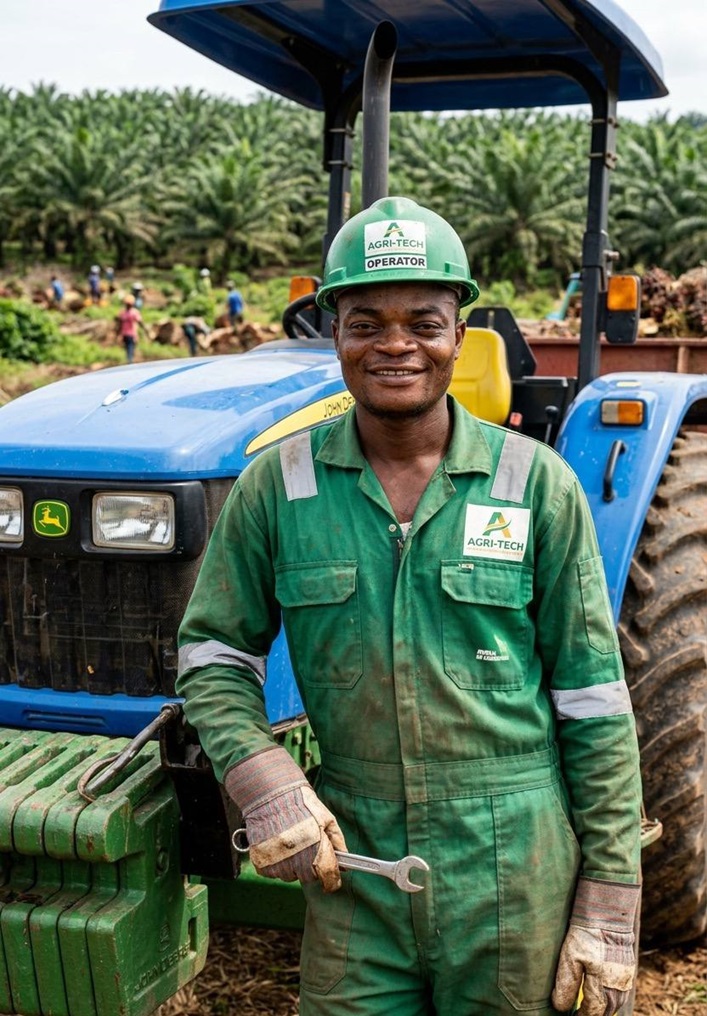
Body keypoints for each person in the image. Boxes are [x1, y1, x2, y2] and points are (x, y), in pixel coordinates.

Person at [176, 196, 642, 1016]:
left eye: (422, 323)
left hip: (513, 863)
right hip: (355, 865)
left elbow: (593, 701)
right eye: (366, 324)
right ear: (335, 335)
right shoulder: (277, 487)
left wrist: (609, 895)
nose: (395, 345)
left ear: (459, 335)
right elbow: (214, 656)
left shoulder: (536, 484)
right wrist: (261, 777)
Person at [115, 294, 147, 364]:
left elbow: (119, 325)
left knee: (128, 348)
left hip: (126, 334)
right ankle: (130, 362)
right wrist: (145, 330)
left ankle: (129, 361)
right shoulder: (134, 312)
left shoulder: (123, 313)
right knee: (130, 348)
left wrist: (118, 333)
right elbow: (140, 322)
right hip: (131, 334)